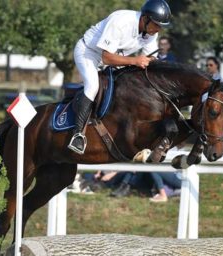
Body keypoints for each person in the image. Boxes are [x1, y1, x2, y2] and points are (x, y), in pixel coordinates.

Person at [69, 0, 171, 154]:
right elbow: (106, 58)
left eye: (161, 26)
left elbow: (151, 60)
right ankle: (77, 134)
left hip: (116, 58)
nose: (158, 29)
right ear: (145, 18)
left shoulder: (150, 33)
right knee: (93, 86)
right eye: (156, 25)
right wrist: (135, 61)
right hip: (89, 53)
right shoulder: (121, 21)